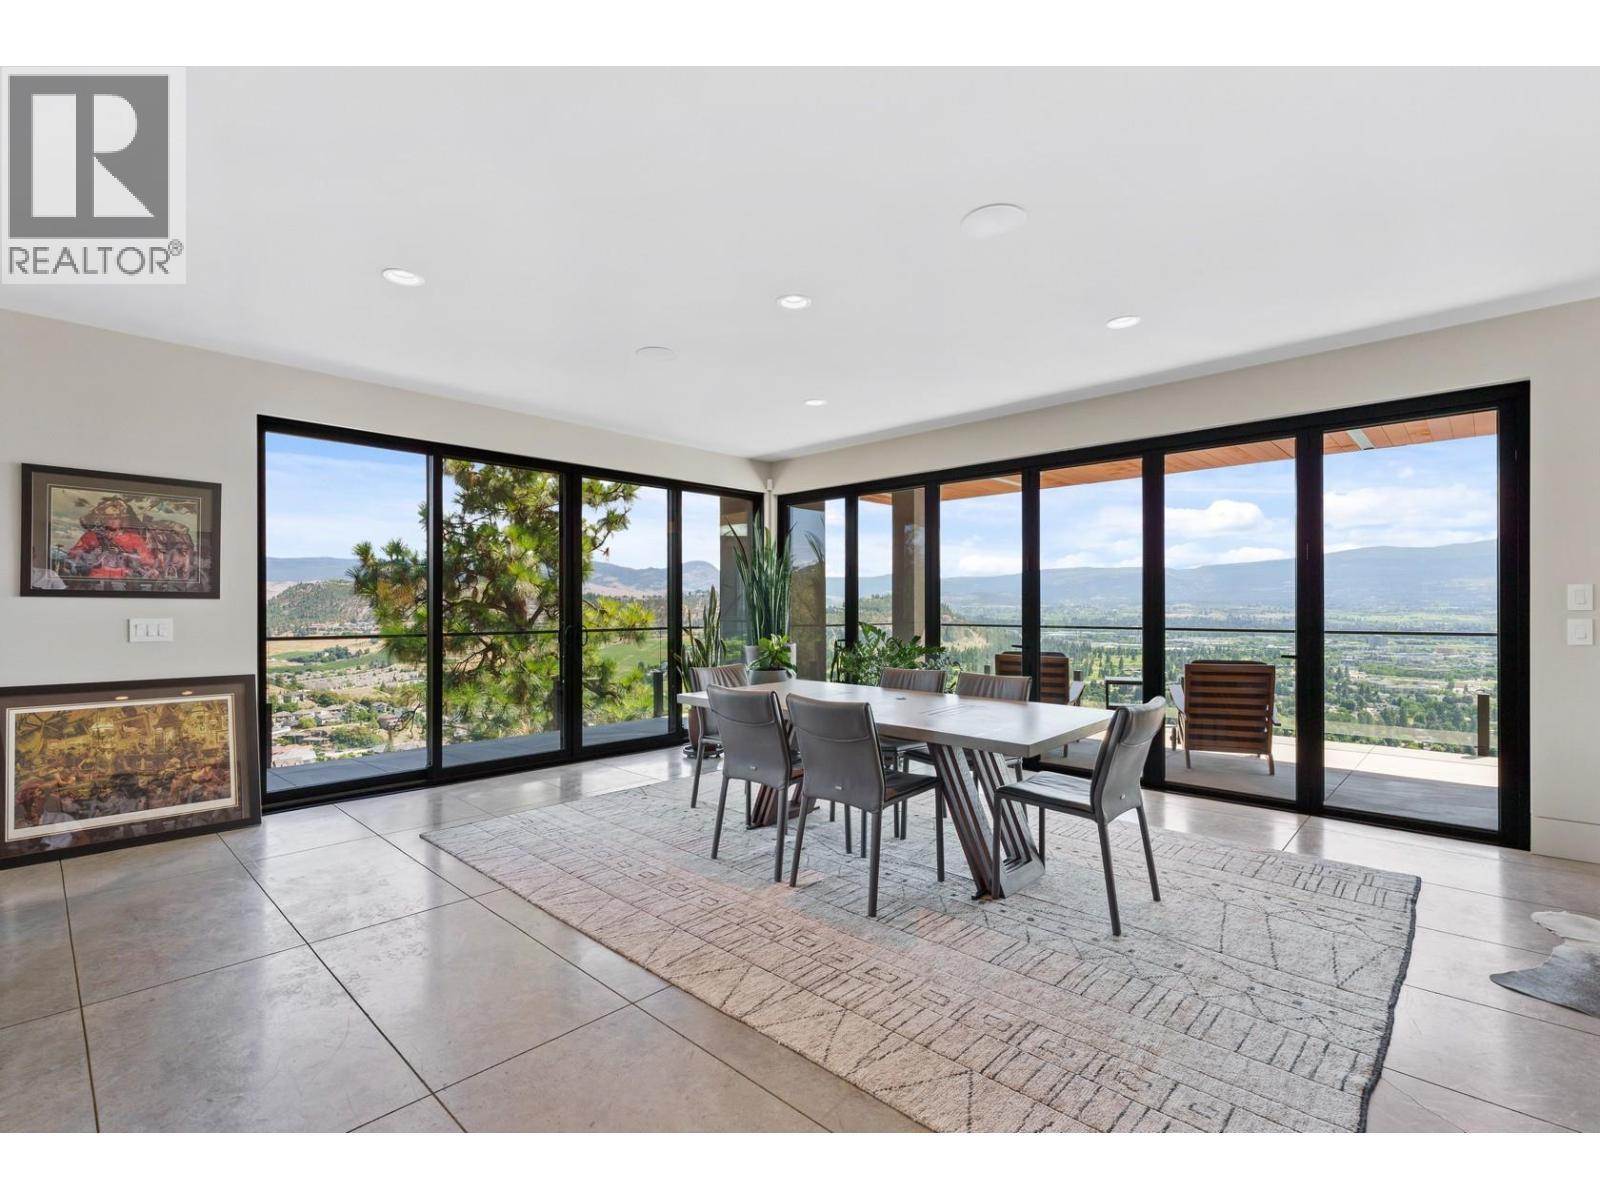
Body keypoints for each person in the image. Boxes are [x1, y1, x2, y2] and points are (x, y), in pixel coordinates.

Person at [62, 496, 158, 579]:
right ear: (102, 518)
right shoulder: (91, 536)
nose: (112, 520)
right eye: (108, 517)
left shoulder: (134, 538)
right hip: (95, 580)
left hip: (124, 580)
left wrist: (126, 555)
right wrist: (94, 554)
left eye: (116, 517)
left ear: (122, 519)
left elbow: (148, 561)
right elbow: (73, 555)